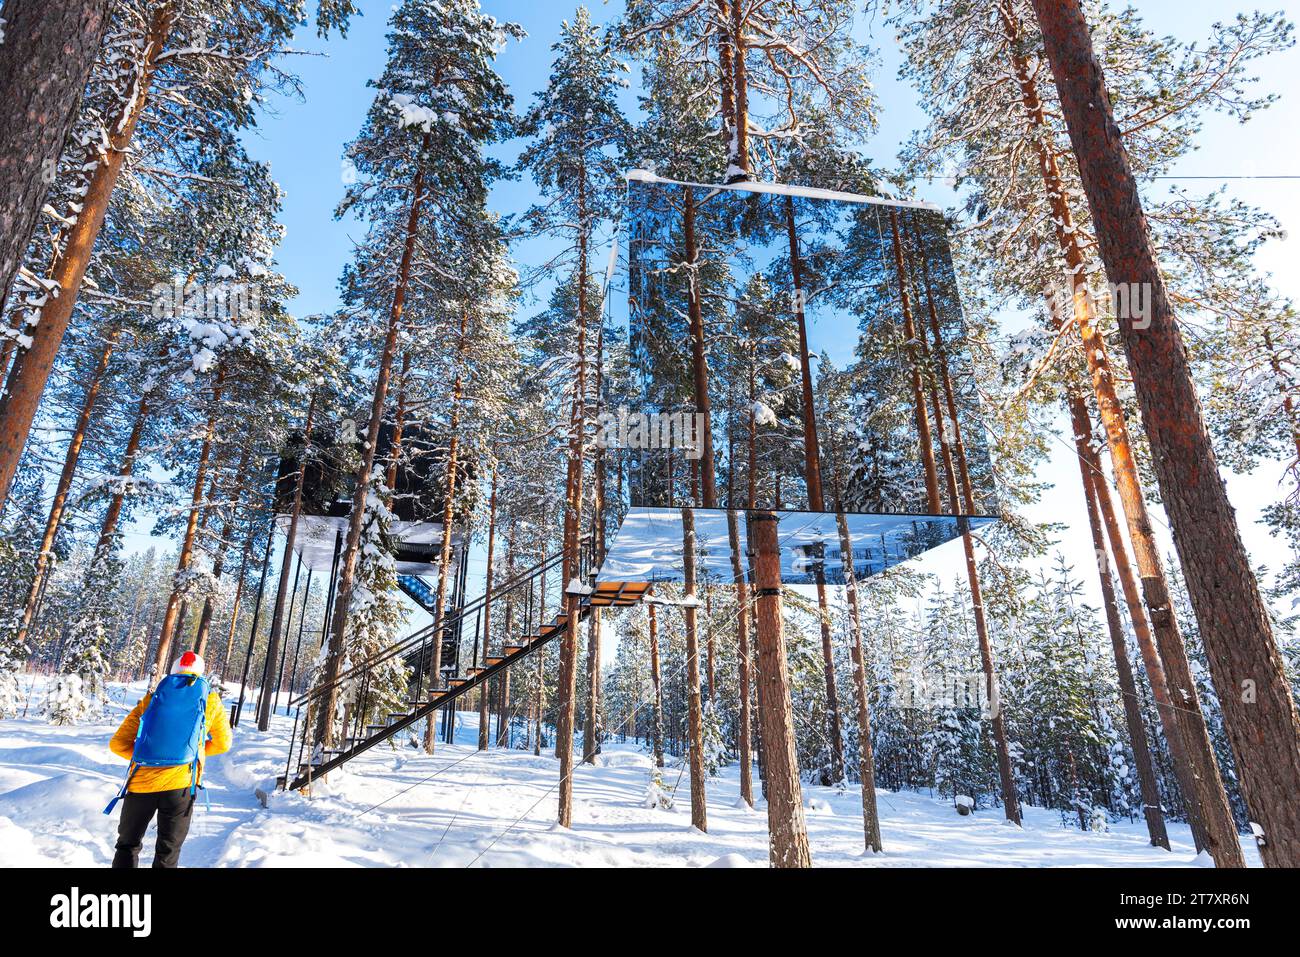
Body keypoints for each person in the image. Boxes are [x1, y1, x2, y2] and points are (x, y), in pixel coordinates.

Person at [108, 650, 231, 867]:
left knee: (127, 845)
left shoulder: (152, 699)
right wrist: (192, 755)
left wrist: (146, 757)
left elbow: (117, 744)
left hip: (140, 784)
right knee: (168, 850)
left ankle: (123, 901)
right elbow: (223, 743)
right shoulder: (210, 701)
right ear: (200, 674)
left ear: (173, 673)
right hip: (180, 787)